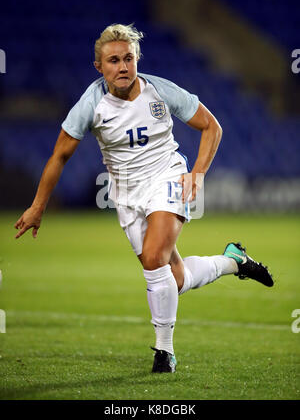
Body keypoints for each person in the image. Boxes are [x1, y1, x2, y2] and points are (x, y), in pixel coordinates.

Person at [14, 24, 274, 373]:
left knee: (154, 259)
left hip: (167, 177)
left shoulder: (160, 92)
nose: (122, 67)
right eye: (113, 61)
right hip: (125, 194)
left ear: (137, 60)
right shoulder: (91, 104)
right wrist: (37, 206)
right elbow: (59, 156)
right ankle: (233, 262)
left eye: (128, 59)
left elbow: (212, 126)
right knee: (173, 279)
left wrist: (196, 173)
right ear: (99, 67)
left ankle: (164, 352)